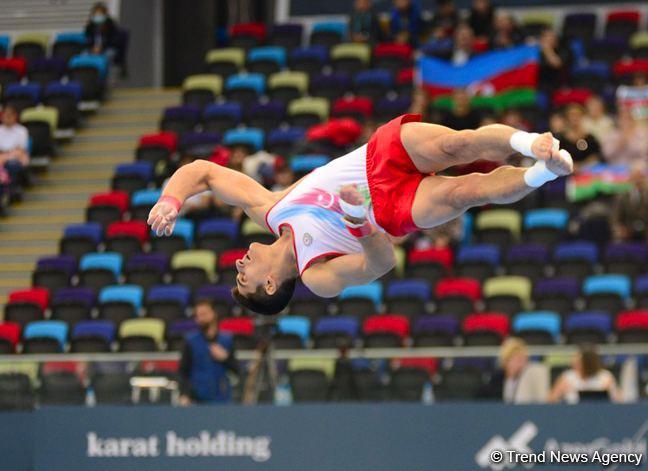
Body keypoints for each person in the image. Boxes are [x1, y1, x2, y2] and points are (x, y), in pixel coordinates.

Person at [149, 114, 573, 315]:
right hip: (388, 213)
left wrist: (171, 201)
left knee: (457, 146)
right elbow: (381, 262)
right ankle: (542, 173)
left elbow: (203, 172)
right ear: (271, 283)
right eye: (244, 275)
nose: (240, 262)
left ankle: (531, 141)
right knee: (465, 192)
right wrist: (359, 222)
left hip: (377, 156)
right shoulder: (317, 275)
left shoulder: (269, 210)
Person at [178, 299, 238, 405]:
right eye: (198, 315)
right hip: (197, 400)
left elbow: (236, 369)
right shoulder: (191, 342)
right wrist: (184, 394)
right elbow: (183, 371)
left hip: (222, 400)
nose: (201, 318)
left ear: (214, 314)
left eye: (204, 314)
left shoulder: (227, 340)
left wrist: (225, 358)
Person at [479, 338, 549, 403]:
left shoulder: (530, 379)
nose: (521, 364)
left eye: (524, 360)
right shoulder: (496, 381)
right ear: (506, 361)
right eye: (518, 360)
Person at [549, 345, 621, 404]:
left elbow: (618, 401)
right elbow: (551, 400)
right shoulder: (567, 377)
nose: (574, 361)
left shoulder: (605, 377)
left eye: (578, 359)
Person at [555, 103, 601, 168]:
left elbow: (596, 156)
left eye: (578, 115)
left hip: (587, 171)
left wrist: (581, 166)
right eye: (572, 115)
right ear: (566, 118)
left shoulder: (590, 138)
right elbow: (556, 158)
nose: (575, 118)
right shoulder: (559, 139)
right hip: (565, 171)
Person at [611, 164, 648, 242]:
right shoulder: (623, 196)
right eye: (635, 177)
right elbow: (616, 217)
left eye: (640, 176)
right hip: (628, 232)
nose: (638, 180)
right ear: (631, 178)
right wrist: (620, 229)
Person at [0, 105, 30, 194]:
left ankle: (10, 191)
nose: (7, 118)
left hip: (17, 156)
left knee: (11, 164)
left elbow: (21, 149)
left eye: (10, 116)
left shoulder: (22, 130)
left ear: (15, 116)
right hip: (2, 156)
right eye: (5, 116)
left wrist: (6, 156)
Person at [537, 27, 571, 94]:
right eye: (548, 38)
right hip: (535, 87)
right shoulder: (535, 52)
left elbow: (556, 64)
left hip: (555, 87)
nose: (552, 39)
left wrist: (547, 49)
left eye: (553, 37)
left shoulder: (563, 51)